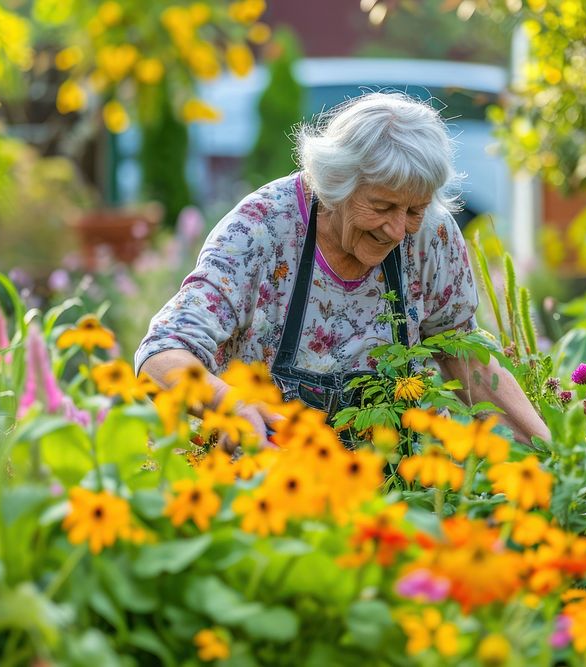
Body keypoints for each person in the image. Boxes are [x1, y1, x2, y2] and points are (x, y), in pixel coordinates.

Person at [135, 92, 550, 446]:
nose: (397, 229)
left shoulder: (431, 236)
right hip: (268, 485)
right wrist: (234, 407)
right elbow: (161, 354)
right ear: (334, 184)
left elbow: (461, 351)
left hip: (395, 486)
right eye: (382, 207)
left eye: (414, 210)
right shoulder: (260, 230)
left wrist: (552, 459)